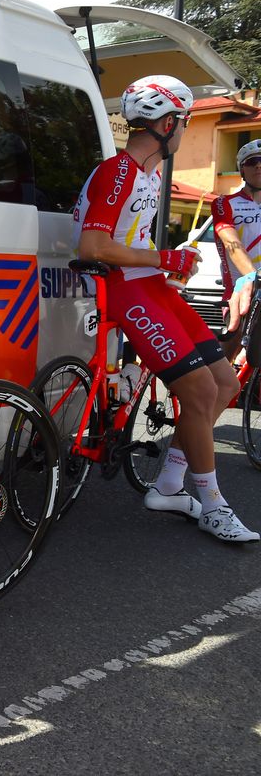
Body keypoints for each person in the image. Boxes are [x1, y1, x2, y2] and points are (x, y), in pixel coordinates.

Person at [74, 75, 258, 544]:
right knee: (198, 391)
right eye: (185, 122)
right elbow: (93, 245)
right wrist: (164, 257)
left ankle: (171, 484)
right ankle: (213, 504)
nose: (183, 132)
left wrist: (169, 261)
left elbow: (128, 239)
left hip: (150, 286)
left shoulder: (149, 173)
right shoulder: (120, 170)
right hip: (125, 289)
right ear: (169, 123)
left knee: (223, 383)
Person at [213, 139, 261, 361]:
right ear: (242, 169)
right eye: (252, 162)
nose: (258, 166)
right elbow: (230, 241)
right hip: (240, 293)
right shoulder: (226, 203)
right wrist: (252, 277)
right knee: (226, 361)